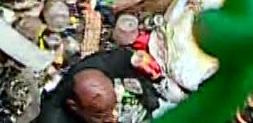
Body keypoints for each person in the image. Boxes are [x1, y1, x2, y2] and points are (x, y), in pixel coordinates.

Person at [32, 46, 162, 122]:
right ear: (74, 106)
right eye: (100, 115)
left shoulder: (108, 63)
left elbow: (132, 61)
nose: (112, 118)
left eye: (113, 107)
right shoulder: (53, 118)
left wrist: (149, 97)